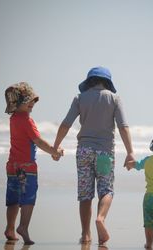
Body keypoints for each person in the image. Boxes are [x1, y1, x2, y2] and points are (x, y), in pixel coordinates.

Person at [53, 66, 134, 246]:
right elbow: (123, 127)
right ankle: (100, 219)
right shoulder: (114, 99)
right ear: (107, 82)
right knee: (106, 190)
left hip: (83, 152)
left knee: (85, 194)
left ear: (89, 81)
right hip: (105, 153)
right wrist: (130, 152)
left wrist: (55, 146)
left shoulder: (80, 98)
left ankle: (85, 234)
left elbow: (66, 124)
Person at [4, 82, 64, 245]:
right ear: (18, 103)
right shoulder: (27, 121)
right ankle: (23, 227)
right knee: (28, 199)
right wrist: (54, 151)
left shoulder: (13, 119)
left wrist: (53, 151)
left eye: (33, 101)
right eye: (28, 101)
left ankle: (10, 228)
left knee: (14, 199)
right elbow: (37, 141)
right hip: (27, 168)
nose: (32, 104)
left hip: (12, 166)